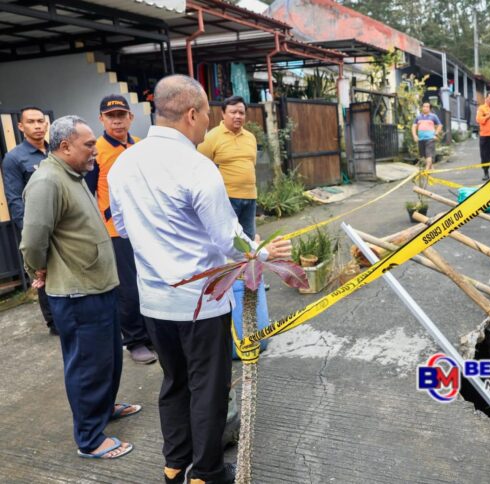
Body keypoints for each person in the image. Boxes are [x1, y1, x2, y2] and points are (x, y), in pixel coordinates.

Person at [108, 75, 291, 484]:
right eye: (207, 113)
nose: (208, 121)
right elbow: (228, 239)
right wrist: (261, 252)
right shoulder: (197, 167)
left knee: (175, 382)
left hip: (154, 299)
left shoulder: (125, 164)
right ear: (192, 114)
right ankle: (206, 472)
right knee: (208, 386)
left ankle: (175, 465)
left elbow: (120, 224)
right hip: (201, 300)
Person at [20, 115, 139, 460]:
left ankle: (103, 409)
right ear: (65, 145)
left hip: (97, 286)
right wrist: (37, 269)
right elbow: (32, 241)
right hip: (77, 293)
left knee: (108, 358)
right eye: (89, 145)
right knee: (87, 365)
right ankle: (89, 438)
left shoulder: (71, 174)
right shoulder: (47, 182)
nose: (95, 152)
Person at [84, 94, 157, 365]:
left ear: (131, 117)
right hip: (116, 231)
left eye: (121, 115)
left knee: (149, 282)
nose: (117, 121)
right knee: (128, 289)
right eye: (111, 116)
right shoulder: (97, 150)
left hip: (146, 228)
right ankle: (135, 340)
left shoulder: (139, 146)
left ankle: (152, 335)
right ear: (101, 119)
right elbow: (88, 191)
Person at [2, 106, 56, 334]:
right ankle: (54, 322)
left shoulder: (55, 150)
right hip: (37, 227)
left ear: (46, 124)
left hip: (61, 224)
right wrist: (30, 232)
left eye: (40, 121)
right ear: (21, 126)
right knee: (44, 272)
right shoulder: (14, 158)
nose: (37, 126)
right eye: (31, 122)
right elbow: (15, 199)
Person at [197, 95, 259, 240]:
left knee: (248, 238)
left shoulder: (250, 137)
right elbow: (200, 168)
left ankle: (247, 264)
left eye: (241, 113)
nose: (238, 116)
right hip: (226, 199)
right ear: (223, 113)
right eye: (233, 112)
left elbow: (251, 164)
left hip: (250, 197)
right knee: (227, 239)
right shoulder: (211, 137)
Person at [411, 101, 443, 171]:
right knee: (424, 155)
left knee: (429, 154)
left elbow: (440, 125)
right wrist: (415, 136)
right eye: (424, 106)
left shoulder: (433, 116)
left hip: (430, 138)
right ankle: (431, 167)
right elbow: (413, 126)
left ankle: (426, 170)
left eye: (427, 107)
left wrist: (436, 133)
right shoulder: (418, 117)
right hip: (421, 139)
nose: (425, 108)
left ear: (430, 108)